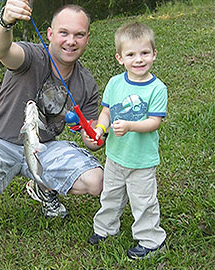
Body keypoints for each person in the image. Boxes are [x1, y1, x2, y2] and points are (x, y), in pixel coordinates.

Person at [0, 1, 104, 269]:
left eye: (79, 35)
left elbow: (89, 135)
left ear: (87, 38)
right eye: (64, 33)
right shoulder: (33, 56)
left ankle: (42, 187)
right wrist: (5, 21)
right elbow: (0, 49)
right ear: (49, 34)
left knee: (96, 182)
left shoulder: (86, 83)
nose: (71, 41)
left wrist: (92, 139)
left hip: (43, 146)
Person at [87, 22, 167, 260]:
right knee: (110, 195)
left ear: (154, 54)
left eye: (144, 53)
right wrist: (101, 128)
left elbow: (154, 122)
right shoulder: (115, 83)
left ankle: (151, 240)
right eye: (131, 54)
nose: (139, 60)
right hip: (115, 156)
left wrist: (131, 125)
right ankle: (105, 229)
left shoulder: (157, 88)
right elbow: (107, 112)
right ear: (120, 58)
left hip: (141, 160)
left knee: (143, 202)